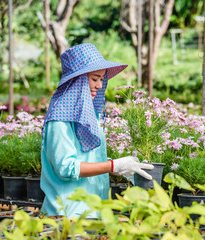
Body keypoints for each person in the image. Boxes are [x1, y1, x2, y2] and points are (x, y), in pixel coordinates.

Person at [40, 43, 153, 218]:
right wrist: (113, 165)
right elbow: (66, 168)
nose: (99, 86)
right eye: (94, 79)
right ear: (77, 80)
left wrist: (120, 167)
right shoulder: (60, 119)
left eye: (102, 79)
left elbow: (89, 157)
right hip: (68, 215)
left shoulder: (88, 115)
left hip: (94, 212)